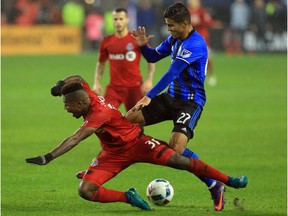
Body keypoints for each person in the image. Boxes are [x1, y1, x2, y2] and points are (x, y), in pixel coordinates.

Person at [26, 75, 248, 211]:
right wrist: (61, 85)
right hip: (113, 154)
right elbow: (78, 79)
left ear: (81, 103)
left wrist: (49, 157)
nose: (66, 109)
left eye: (68, 106)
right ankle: (128, 196)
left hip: (138, 143)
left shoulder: (98, 114)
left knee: (179, 159)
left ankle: (229, 180)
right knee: (86, 191)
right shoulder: (89, 97)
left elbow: (75, 138)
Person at [125, 2, 224, 211]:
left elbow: (172, 73)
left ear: (185, 23)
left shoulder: (195, 44)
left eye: (171, 25)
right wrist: (144, 46)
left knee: (176, 149)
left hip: (190, 102)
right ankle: (98, 169)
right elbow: (153, 56)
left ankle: (214, 185)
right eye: (167, 25)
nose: (168, 29)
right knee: (126, 120)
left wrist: (148, 96)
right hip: (170, 98)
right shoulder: (175, 39)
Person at [93, 7, 155, 112]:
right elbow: (101, 63)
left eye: (121, 19)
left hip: (134, 87)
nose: (118, 22)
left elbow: (151, 59)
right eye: (115, 19)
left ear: (127, 20)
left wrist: (149, 80)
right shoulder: (107, 41)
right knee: (103, 115)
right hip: (114, 88)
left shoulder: (136, 39)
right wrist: (97, 81)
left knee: (136, 122)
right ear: (112, 20)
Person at [187, 0, 220, 86]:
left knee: (208, 57)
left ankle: (211, 75)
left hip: (202, 37)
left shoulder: (202, 11)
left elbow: (208, 21)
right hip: (191, 38)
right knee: (190, 58)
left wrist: (214, 23)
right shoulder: (187, 12)